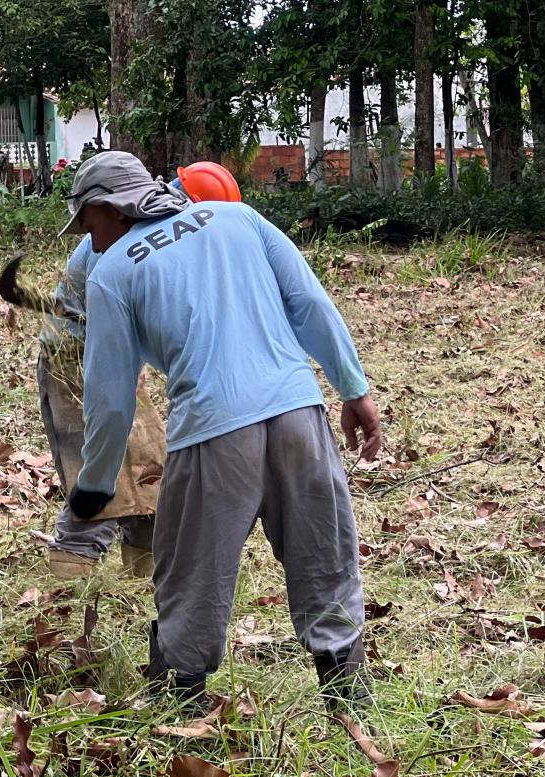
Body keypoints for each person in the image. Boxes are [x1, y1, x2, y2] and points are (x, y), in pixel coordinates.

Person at [62, 151, 382, 708]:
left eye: (85, 224)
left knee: (192, 572)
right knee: (324, 555)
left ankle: (176, 701)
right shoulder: (238, 218)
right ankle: (349, 695)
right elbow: (308, 303)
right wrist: (354, 391)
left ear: (106, 208)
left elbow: (110, 400)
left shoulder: (112, 273)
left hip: (211, 433)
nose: (87, 240)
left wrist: (94, 484)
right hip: (298, 415)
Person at [38, 160, 244, 580]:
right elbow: (112, 321)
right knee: (99, 471)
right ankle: (69, 586)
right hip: (76, 356)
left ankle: (144, 577)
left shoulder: (154, 233)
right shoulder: (114, 240)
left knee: (150, 468)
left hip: (118, 354)